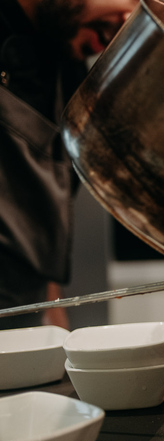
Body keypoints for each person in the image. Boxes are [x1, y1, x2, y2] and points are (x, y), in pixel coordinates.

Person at [0, 0, 137, 328]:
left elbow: (45, 208)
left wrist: (51, 303)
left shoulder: (64, 60)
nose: (131, 18)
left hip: (21, 313)